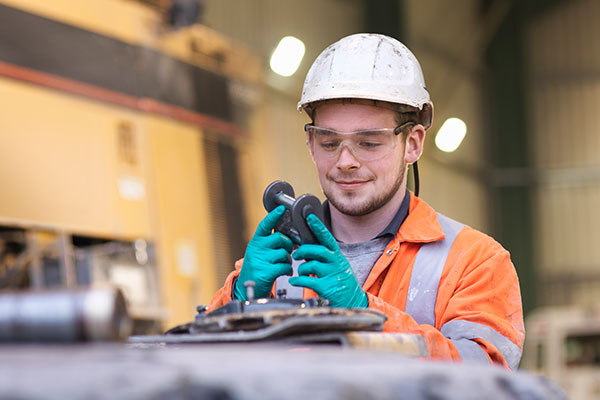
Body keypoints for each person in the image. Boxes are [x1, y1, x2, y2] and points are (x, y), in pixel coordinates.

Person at [208, 33, 524, 370]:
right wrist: (239, 300)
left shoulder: (474, 263)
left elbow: (486, 381)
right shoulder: (275, 265)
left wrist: (366, 315)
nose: (346, 161)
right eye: (329, 143)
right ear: (311, 143)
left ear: (413, 143)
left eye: (369, 143)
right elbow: (197, 374)